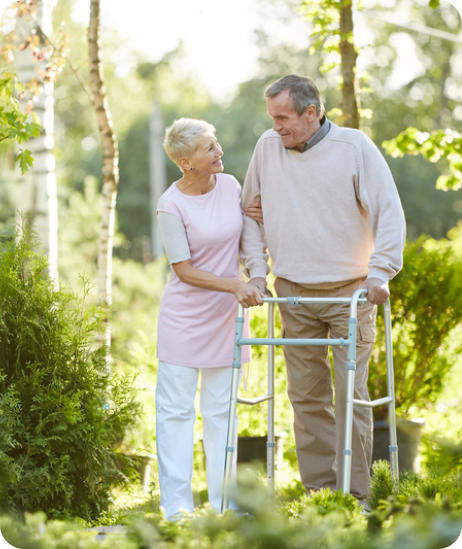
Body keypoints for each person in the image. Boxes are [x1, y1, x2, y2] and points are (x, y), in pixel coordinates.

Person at [240, 74, 406, 503]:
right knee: (307, 397)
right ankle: (321, 496)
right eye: (272, 118)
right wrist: (257, 273)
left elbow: (389, 212)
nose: (276, 126)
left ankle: (356, 497)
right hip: (293, 290)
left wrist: (380, 272)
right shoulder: (266, 148)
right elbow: (250, 214)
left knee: (351, 395)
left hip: (350, 292)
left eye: (284, 117)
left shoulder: (353, 148)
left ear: (311, 112)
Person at [155, 118, 264, 520]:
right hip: (183, 320)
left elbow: (247, 232)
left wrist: (254, 275)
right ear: (186, 162)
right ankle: (177, 509)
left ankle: (225, 506)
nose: (218, 151)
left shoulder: (232, 185)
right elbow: (183, 269)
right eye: (208, 148)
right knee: (176, 415)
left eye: (216, 143)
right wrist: (235, 286)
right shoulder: (171, 203)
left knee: (222, 414)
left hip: (225, 320)